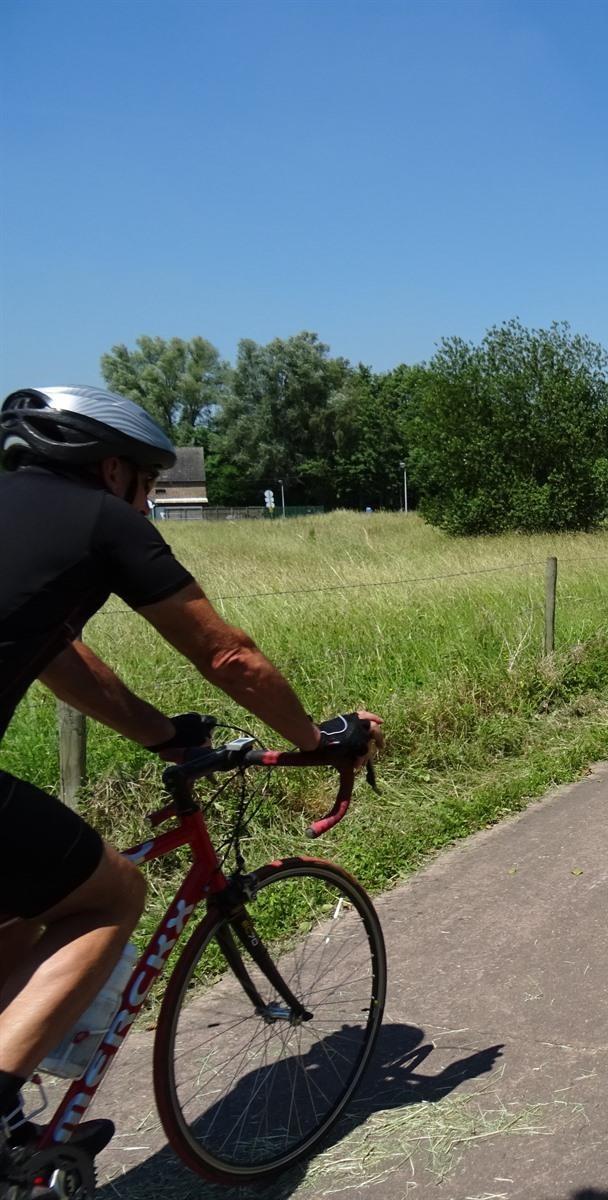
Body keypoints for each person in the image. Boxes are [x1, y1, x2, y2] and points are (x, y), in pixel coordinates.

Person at [0, 386, 382, 1168]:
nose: (147, 508)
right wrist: (315, 738)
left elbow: (57, 656)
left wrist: (164, 734)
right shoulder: (101, 520)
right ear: (113, 470)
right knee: (111, 895)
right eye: (148, 486)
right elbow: (227, 655)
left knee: (17, 915)